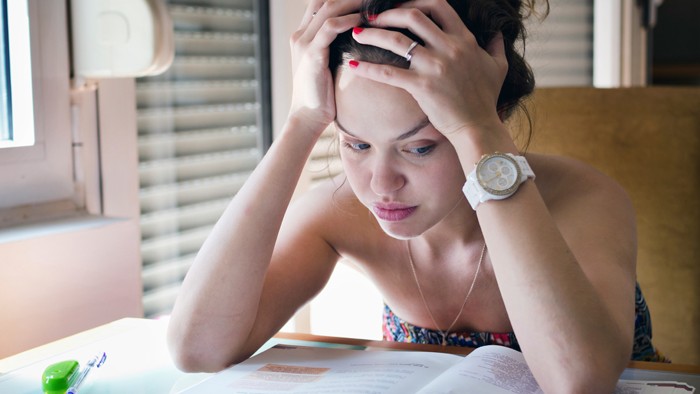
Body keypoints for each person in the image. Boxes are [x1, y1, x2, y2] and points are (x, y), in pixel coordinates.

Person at [167, 0, 665, 392]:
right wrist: (302, 120)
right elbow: (197, 349)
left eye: (421, 146)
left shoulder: (583, 199)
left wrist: (476, 128)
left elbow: (578, 381)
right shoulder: (339, 212)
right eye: (355, 143)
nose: (381, 185)